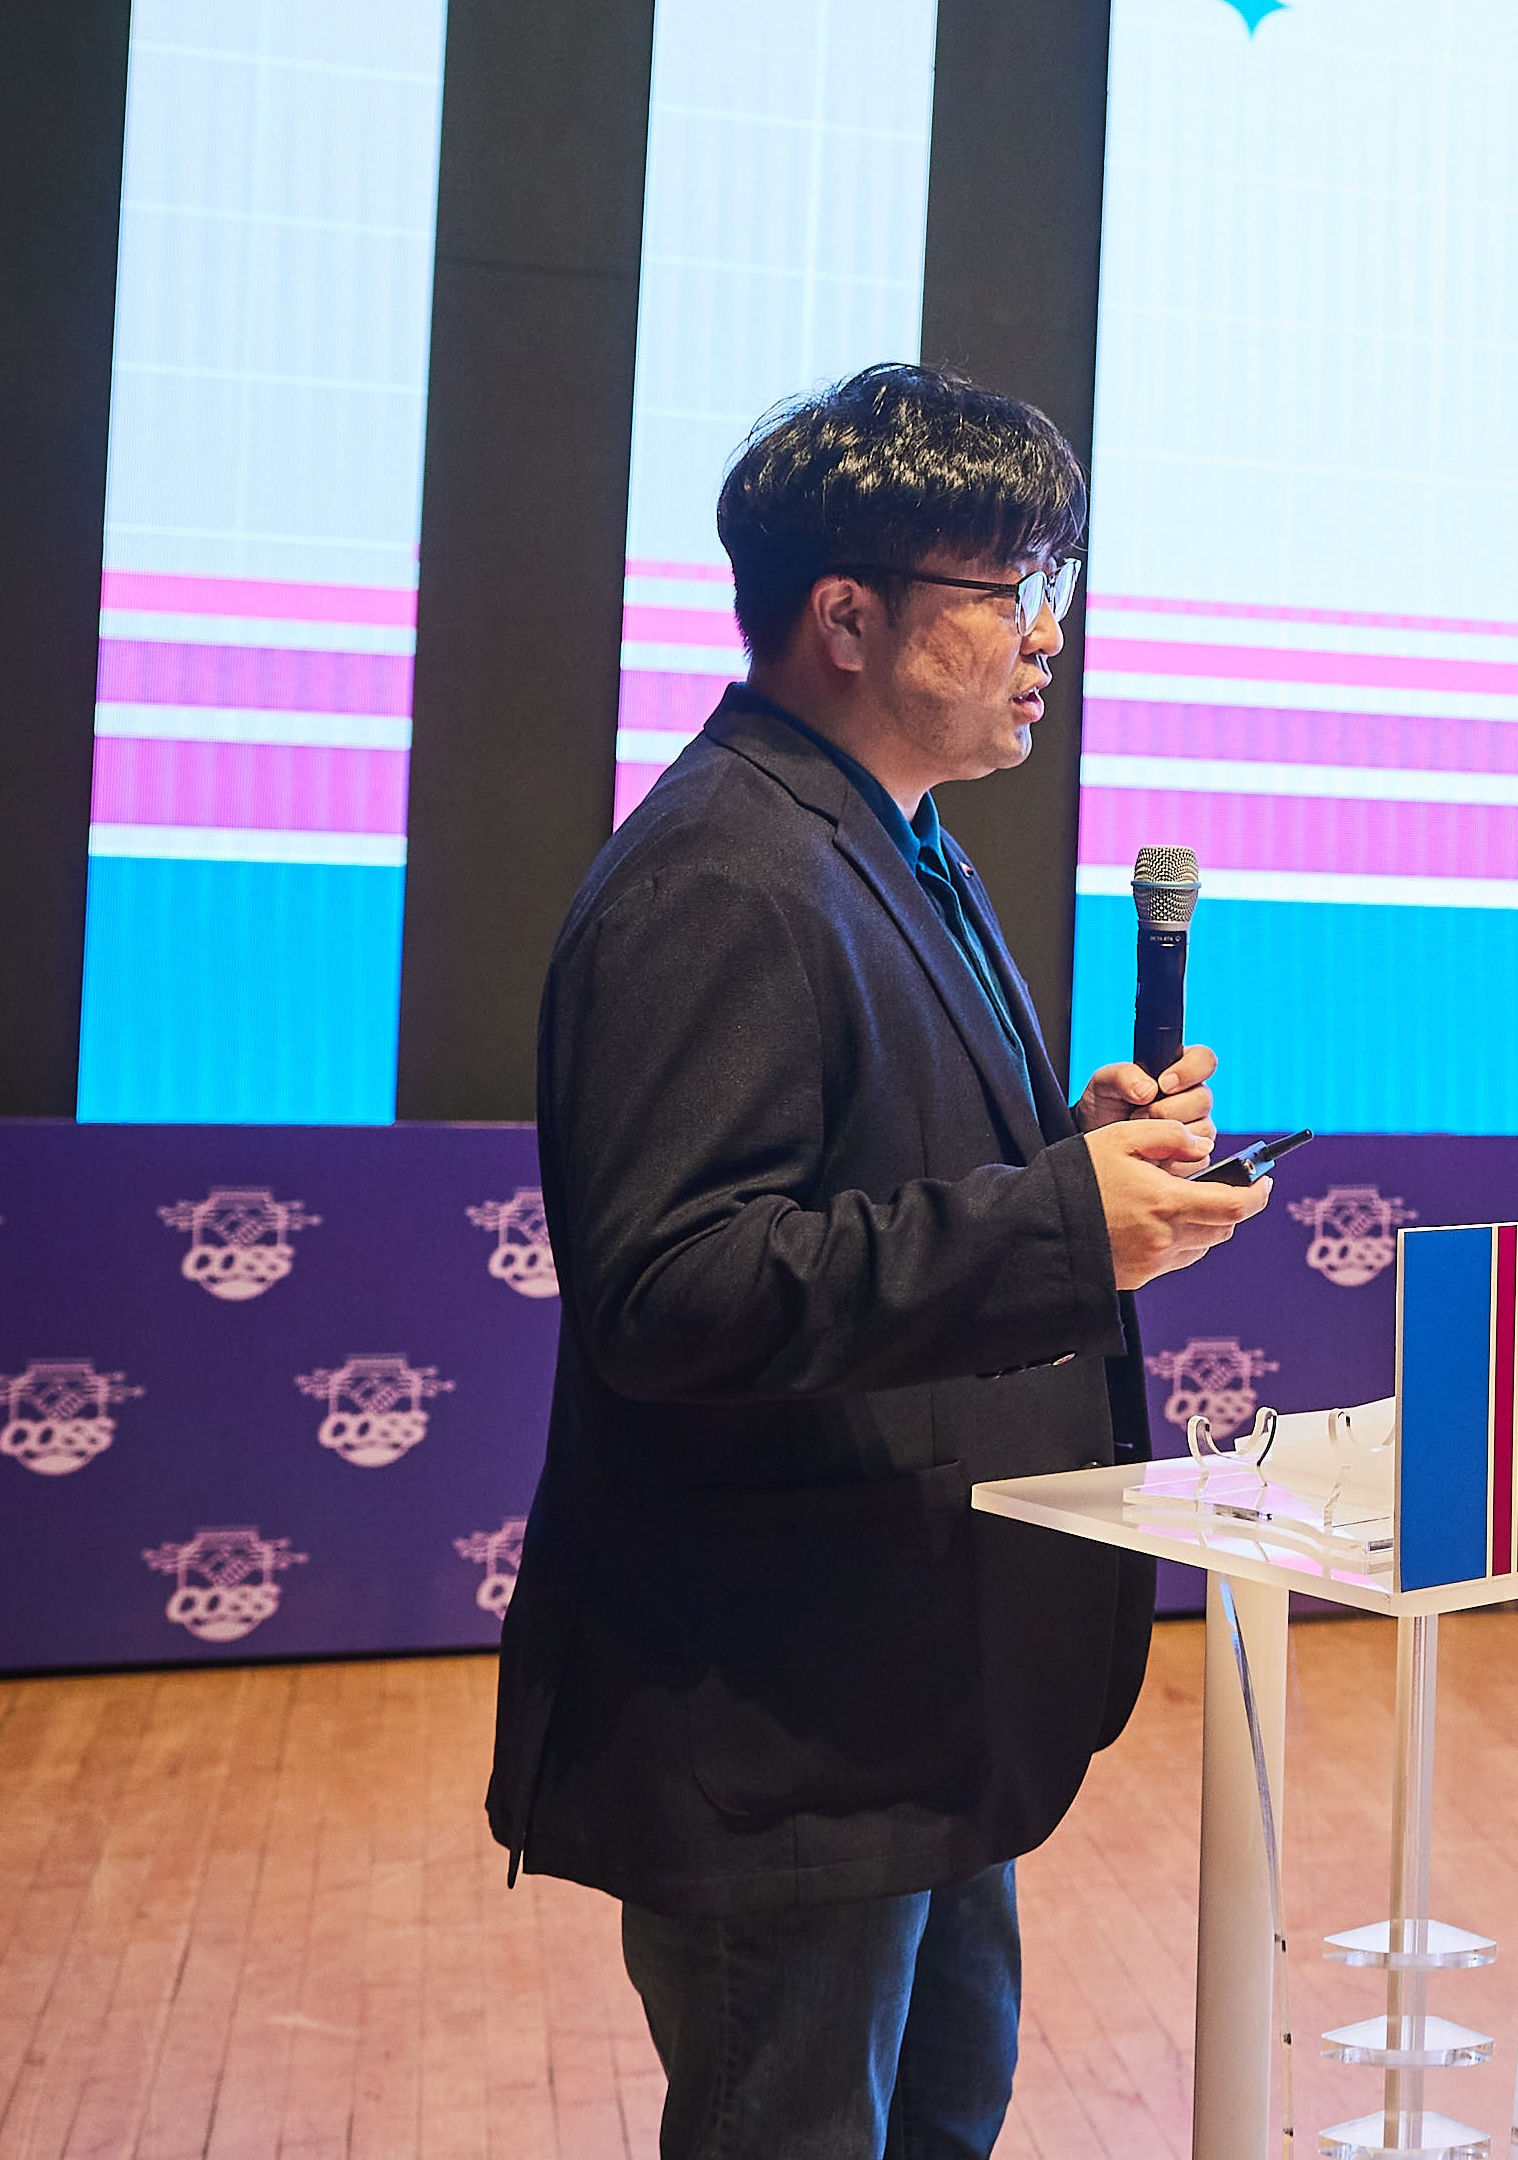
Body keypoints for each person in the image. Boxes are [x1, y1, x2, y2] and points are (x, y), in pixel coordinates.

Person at [487, 362, 1267, 2158]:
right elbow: (674, 1288)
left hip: (911, 1694)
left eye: (1049, 584)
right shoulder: (723, 876)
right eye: (1007, 591)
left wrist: (1069, 1161)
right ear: (846, 619)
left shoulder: (891, 843)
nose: (1046, 635)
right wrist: (1061, 1225)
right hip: (787, 1723)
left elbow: (862, 1179)